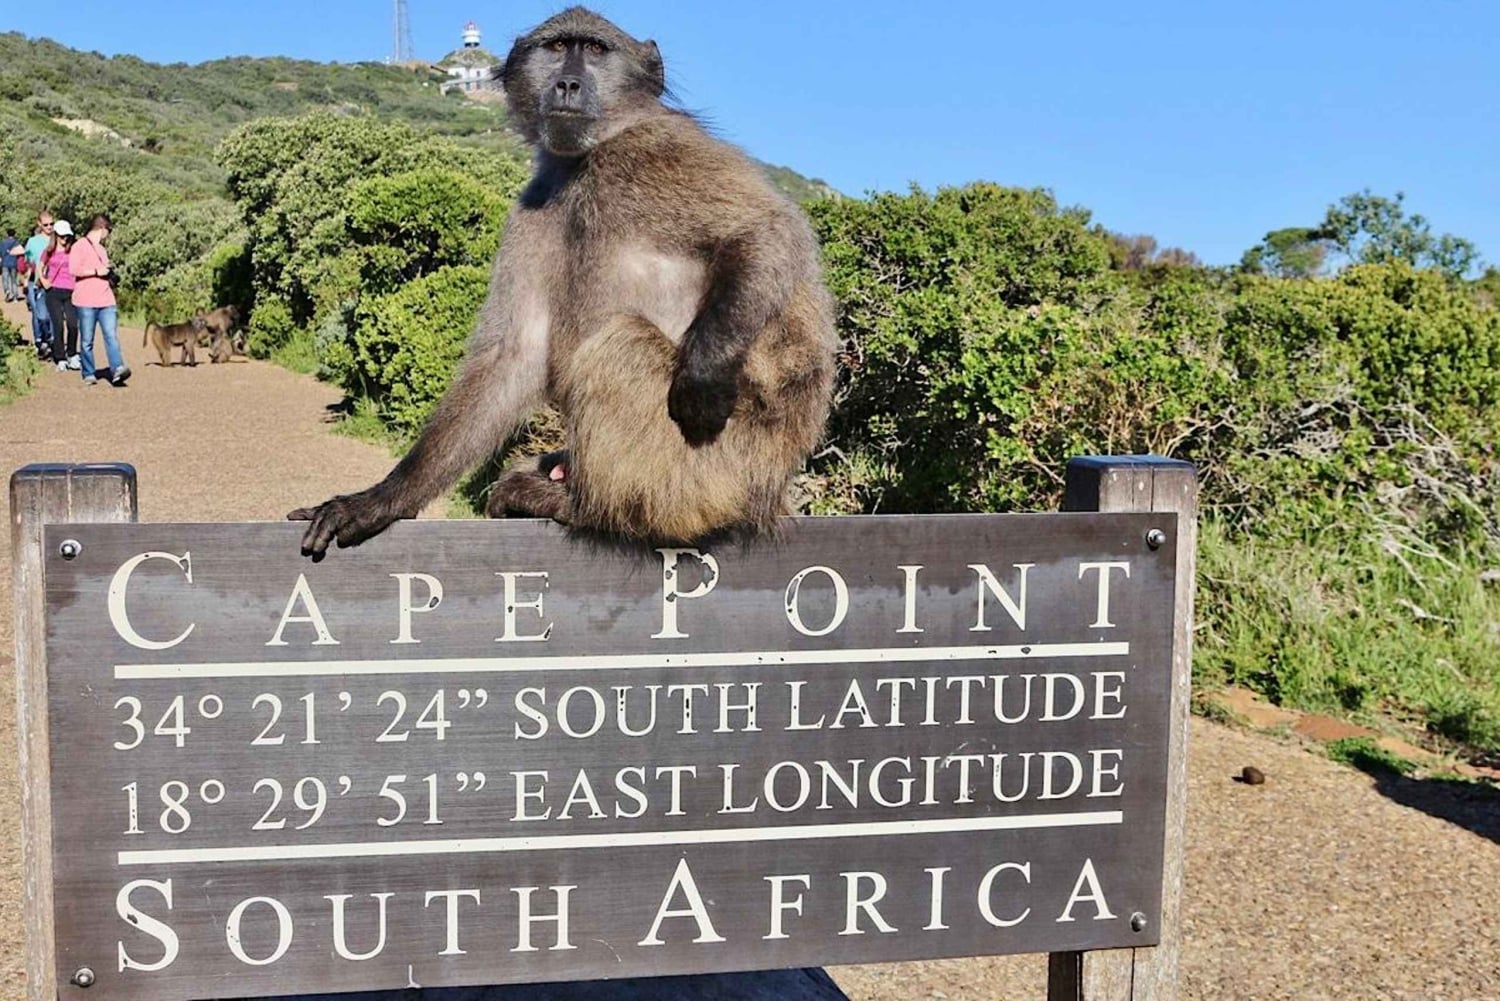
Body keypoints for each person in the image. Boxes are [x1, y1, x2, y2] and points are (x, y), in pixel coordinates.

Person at [69, 214, 129, 387]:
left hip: (106, 299)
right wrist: (96, 271)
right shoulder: (79, 246)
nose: (108, 235)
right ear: (102, 228)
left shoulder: (102, 250)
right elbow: (74, 269)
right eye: (108, 231)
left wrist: (109, 274)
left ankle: (117, 368)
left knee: (111, 335)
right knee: (87, 339)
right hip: (86, 300)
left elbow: (104, 270)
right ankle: (88, 372)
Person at [41, 220, 80, 371]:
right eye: (62, 236)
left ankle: (72, 354)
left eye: (67, 236)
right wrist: (44, 280)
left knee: (73, 324)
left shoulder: (73, 251)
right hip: (54, 291)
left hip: (71, 291)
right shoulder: (49, 251)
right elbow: (41, 265)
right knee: (57, 325)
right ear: (56, 236)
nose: (65, 239)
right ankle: (60, 357)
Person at [23, 213, 55, 355]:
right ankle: (39, 340)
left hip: (53, 283)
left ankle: (51, 339)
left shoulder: (58, 240)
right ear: (39, 224)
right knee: (38, 313)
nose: (49, 227)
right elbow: (29, 263)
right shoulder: (33, 242)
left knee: (52, 314)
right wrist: (26, 280)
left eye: (51, 224)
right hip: (36, 282)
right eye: (46, 224)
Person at [0, 228, 19, 302]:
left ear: (7, 234)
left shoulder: (2, 242)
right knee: (14, 280)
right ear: (14, 234)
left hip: (5, 263)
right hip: (14, 263)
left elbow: (1, 253)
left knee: (5, 279)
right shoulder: (16, 243)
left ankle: (7, 290)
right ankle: (15, 297)